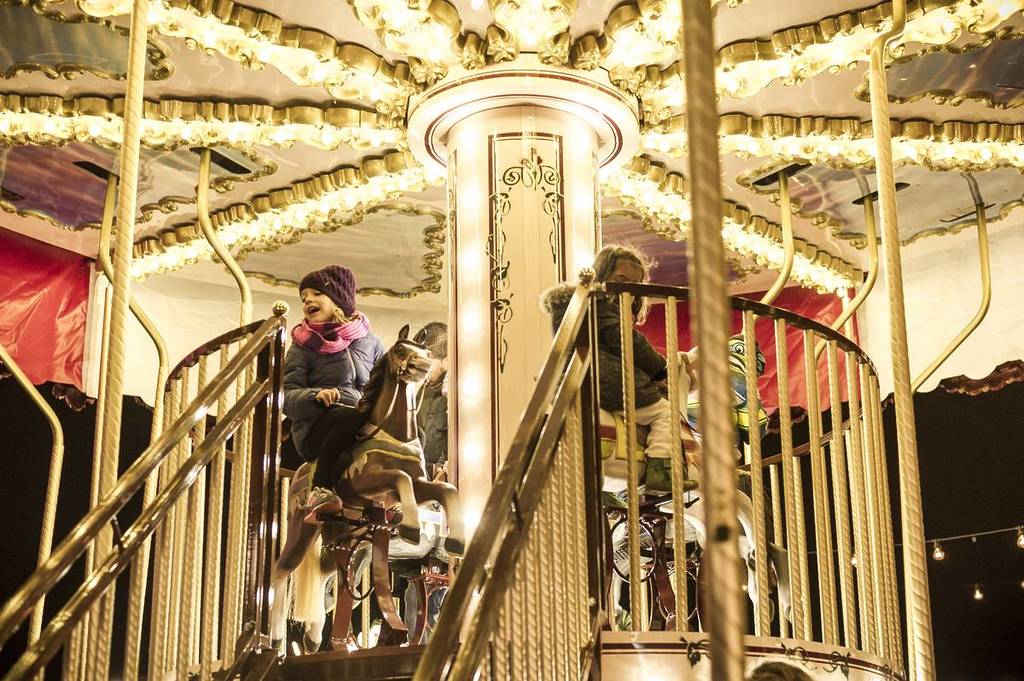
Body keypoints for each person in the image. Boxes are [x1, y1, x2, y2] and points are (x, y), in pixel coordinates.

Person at [542, 244, 699, 486]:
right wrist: (659, 367)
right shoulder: (602, 303)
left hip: (576, 379)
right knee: (665, 413)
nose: (627, 291)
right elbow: (624, 339)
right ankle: (661, 470)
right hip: (609, 379)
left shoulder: (571, 307)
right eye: (621, 281)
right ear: (602, 276)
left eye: (633, 286)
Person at [283, 265, 385, 523]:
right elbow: (287, 397)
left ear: (338, 299)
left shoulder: (370, 342)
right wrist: (315, 396)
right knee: (347, 416)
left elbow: (384, 380)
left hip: (360, 419)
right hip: (319, 426)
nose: (307, 300)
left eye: (316, 293)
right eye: (304, 296)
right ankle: (321, 487)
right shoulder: (302, 348)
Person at [412, 321, 448, 476]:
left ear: (446, 360)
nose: (423, 369)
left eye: (428, 361)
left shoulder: (456, 393)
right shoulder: (423, 392)